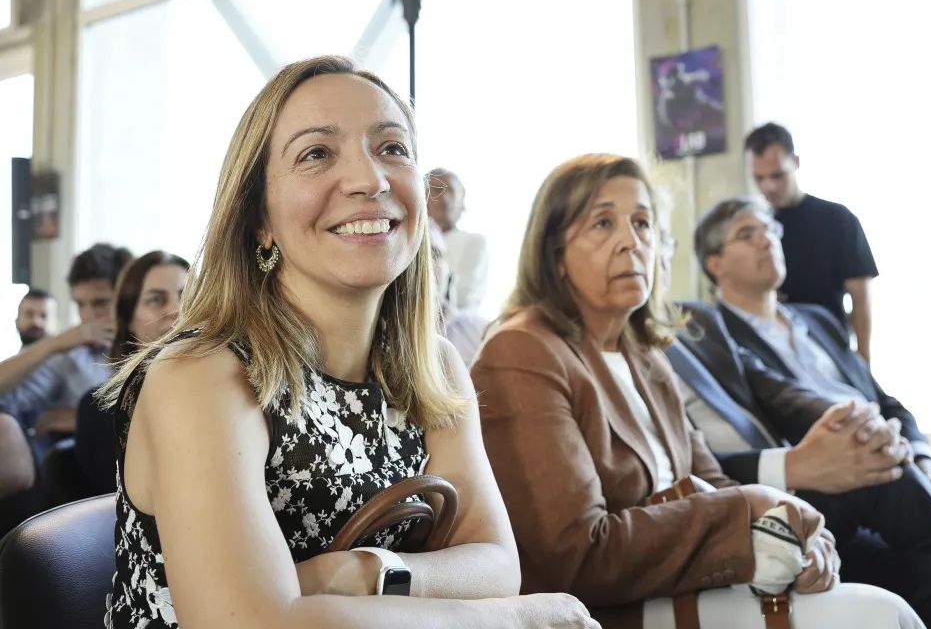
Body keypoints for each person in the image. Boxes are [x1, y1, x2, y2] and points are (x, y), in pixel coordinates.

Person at [97, 56, 596, 629]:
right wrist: (517, 620)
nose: (369, 180)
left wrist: (366, 571)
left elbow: (496, 567)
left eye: (392, 148)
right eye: (316, 154)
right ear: (259, 219)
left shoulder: (430, 365)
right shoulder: (202, 374)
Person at [471, 153, 923, 629]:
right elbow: (577, 556)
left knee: (890, 600)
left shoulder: (645, 354)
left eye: (642, 223)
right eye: (603, 223)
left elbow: (713, 480)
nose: (632, 242)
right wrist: (747, 511)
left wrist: (789, 528)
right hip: (603, 614)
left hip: (685, 589)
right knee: (881, 613)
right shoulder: (522, 351)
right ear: (554, 254)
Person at [692, 196, 931, 628]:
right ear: (715, 263)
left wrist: (921, 451)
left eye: (770, 229)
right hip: (855, 481)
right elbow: (792, 410)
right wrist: (869, 433)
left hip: (910, 464)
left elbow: (885, 399)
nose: (767, 240)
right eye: (748, 234)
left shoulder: (817, 320)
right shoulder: (718, 339)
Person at [745, 123, 877, 363]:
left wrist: (863, 362)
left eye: (777, 175)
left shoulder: (838, 220)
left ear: (795, 162)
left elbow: (861, 297)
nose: (768, 187)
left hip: (831, 350)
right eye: (759, 178)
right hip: (776, 355)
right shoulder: (752, 230)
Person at [0, 243, 131, 471]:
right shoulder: (68, 355)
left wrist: (83, 417)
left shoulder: (151, 345)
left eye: (100, 303)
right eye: (80, 304)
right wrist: (54, 343)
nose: (88, 315)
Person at [74, 251, 189, 496]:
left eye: (187, 296)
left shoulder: (234, 389)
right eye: (156, 299)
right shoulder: (101, 408)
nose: (176, 309)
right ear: (128, 320)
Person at [426, 168, 489, 314]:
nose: (444, 198)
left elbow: (463, 298)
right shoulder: (408, 240)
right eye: (436, 190)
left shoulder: (474, 242)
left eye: (451, 191)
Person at [428, 221, 486, 366]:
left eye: (434, 254)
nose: (425, 266)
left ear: (449, 270)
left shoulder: (481, 336)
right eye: (418, 256)